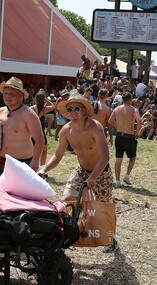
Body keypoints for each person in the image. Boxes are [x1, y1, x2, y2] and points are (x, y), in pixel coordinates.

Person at [38, 92, 117, 253]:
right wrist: (44, 169)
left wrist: (93, 178)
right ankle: (66, 235)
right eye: (69, 109)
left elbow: (105, 157)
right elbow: (57, 155)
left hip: (101, 172)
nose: (73, 112)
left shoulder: (95, 127)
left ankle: (111, 239)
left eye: (76, 109)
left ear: (84, 111)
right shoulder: (66, 131)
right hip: (81, 170)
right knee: (66, 201)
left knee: (103, 208)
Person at [0, 77, 44, 177]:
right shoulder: (0, 111)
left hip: (22, 163)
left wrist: (35, 162)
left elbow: (40, 139)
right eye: (5, 93)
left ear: (21, 95)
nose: (8, 96)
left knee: (17, 193)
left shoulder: (28, 114)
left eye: (12, 94)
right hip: (1, 160)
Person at [108, 92, 141, 187]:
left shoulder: (117, 108)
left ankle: (117, 181)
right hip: (129, 136)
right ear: (131, 100)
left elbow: (110, 121)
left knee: (118, 159)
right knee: (132, 157)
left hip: (119, 136)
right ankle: (127, 175)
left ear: (122, 99)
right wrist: (137, 132)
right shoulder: (133, 109)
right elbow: (139, 121)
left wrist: (118, 124)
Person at [31, 91, 55, 166]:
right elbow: (53, 106)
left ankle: (32, 167)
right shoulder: (45, 109)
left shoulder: (31, 108)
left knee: (32, 152)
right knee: (44, 152)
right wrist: (46, 100)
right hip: (41, 133)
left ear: (35, 99)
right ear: (43, 99)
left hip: (32, 133)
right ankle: (41, 168)